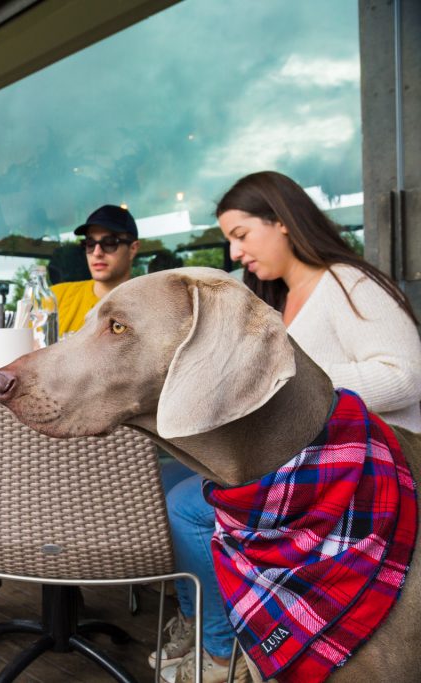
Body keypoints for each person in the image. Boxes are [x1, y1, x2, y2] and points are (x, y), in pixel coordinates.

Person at [153, 170, 421, 683]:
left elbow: (404, 376)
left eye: (241, 235)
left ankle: (222, 651)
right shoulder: (275, 300)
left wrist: (287, 383)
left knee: (189, 505)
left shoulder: (348, 283)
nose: (235, 253)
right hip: (303, 466)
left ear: (281, 221)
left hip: (368, 467)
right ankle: (196, 620)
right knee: (165, 481)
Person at [51, 204, 141, 334]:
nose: (97, 252)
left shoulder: (149, 307)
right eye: (90, 243)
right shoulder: (54, 298)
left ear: (132, 249)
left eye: (110, 242)